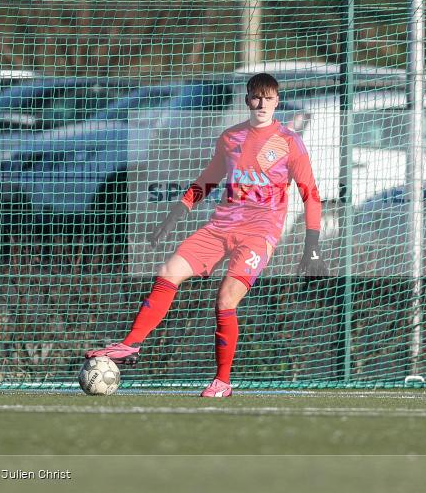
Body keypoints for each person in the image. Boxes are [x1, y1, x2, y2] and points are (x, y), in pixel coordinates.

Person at [86, 72, 328, 397]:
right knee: (168, 271)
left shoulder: (289, 142)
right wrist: (173, 217)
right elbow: (207, 181)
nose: (261, 103)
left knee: (226, 300)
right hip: (220, 228)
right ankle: (131, 345)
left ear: (277, 101)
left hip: (259, 235)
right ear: (247, 100)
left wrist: (311, 247)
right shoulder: (231, 137)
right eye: (256, 97)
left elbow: (310, 194)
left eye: (268, 98)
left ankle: (222, 382)